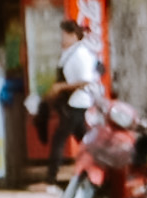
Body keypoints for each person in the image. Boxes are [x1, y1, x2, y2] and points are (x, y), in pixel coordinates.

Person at [36, 19, 103, 188]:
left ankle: (51, 178)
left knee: (60, 139)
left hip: (76, 102)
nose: (62, 38)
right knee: (83, 138)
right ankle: (99, 167)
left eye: (65, 35)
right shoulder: (70, 52)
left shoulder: (80, 54)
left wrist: (61, 87)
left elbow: (86, 80)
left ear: (73, 35)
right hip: (70, 103)